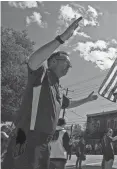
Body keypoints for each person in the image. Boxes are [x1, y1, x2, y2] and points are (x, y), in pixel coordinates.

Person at [2, 17, 99, 169]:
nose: (69, 66)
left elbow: (69, 103)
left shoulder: (58, 88)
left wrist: (87, 100)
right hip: (26, 137)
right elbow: (32, 61)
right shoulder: (42, 75)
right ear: (53, 61)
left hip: (44, 142)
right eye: (66, 62)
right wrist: (61, 39)